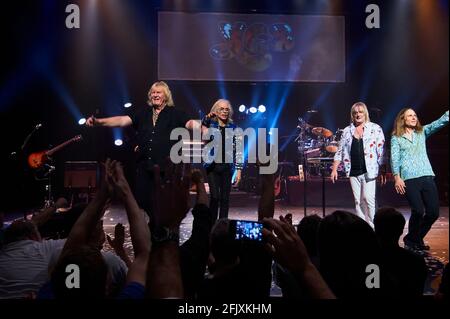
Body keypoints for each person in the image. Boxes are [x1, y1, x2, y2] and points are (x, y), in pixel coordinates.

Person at [86, 81, 201, 220]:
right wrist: (99, 122)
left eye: (158, 92)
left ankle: (162, 232)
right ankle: (150, 230)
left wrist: (205, 127)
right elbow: (122, 120)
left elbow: (190, 123)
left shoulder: (175, 114)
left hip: (165, 169)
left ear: (166, 95)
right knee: (143, 202)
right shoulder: (143, 113)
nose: (155, 95)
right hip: (144, 166)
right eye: (153, 92)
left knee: (163, 205)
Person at [391, 109, 449, 250]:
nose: (414, 117)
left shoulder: (421, 132)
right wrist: (397, 177)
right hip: (409, 178)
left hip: (426, 175)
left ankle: (413, 239)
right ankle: (413, 241)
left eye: (415, 115)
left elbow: (439, 122)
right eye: (410, 115)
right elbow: (394, 158)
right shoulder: (397, 137)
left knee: (433, 212)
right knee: (417, 210)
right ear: (402, 119)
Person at [330, 102, 386, 227]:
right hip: (353, 169)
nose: (358, 115)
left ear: (365, 113)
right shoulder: (347, 131)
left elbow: (381, 150)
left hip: (369, 169)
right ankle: (362, 228)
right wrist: (334, 169)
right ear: (352, 115)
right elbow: (340, 151)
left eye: (360, 112)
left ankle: (373, 227)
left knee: (368, 199)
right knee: (358, 201)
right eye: (355, 113)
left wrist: (382, 169)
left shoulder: (375, 128)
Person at [201, 99, 243, 221]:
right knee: (215, 197)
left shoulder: (234, 128)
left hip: (227, 167)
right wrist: (207, 117)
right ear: (216, 111)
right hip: (212, 167)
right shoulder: (210, 125)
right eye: (221, 109)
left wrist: (239, 171)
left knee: (225, 199)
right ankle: (212, 225)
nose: (224, 111)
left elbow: (239, 150)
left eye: (226, 109)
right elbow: (203, 131)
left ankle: (222, 226)